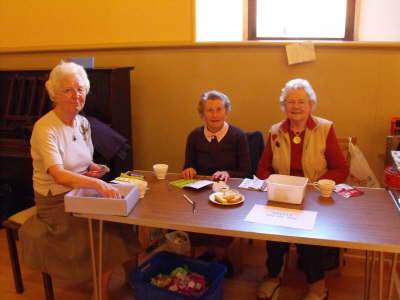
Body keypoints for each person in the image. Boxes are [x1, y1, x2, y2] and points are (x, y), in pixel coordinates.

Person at [19, 61, 139, 300]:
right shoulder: (45, 128)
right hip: (54, 202)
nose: (77, 95)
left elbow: (84, 162)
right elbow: (58, 174)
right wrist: (97, 184)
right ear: (55, 94)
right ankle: (100, 293)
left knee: (122, 221)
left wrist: (94, 169)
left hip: (80, 192)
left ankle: (134, 277)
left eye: (80, 88)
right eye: (68, 90)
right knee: (102, 233)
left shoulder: (83, 123)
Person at [256, 79, 349, 300]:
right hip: (283, 195)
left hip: (314, 195)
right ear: (284, 105)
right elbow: (262, 167)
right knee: (274, 232)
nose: (295, 107)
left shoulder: (325, 128)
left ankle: (317, 286)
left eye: (301, 101)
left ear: (310, 104)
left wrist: (315, 187)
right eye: (290, 102)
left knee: (311, 237)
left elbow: (340, 168)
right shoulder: (275, 131)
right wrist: (274, 183)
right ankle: (272, 276)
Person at [181, 90, 251, 276]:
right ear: (202, 114)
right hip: (201, 191)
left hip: (228, 193)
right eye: (209, 110)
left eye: (219, 109)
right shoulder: (194, 136)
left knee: (222, 219)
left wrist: (227, 172)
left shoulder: (238, 136)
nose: (214, 114)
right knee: (193, 212)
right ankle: (202, 252)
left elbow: (246, 172)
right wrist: (189, 170)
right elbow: (188, 166)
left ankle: (221, 256)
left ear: (226, 112)